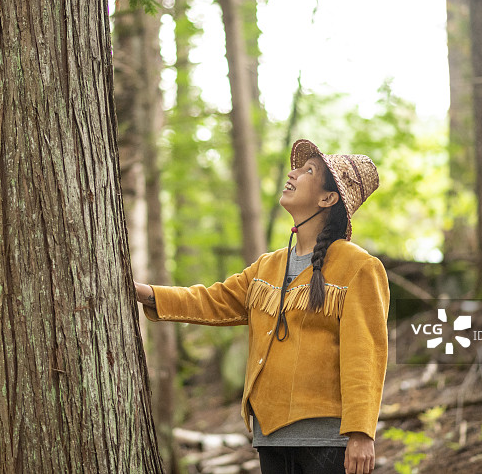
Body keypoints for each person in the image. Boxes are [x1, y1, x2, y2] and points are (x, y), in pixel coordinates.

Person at [135, 139, 389, 474]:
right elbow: (213, 300)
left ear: (328, 198)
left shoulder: (359, 267)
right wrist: (146, 293)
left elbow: (365, 354)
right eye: (298, 167)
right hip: (269, 435)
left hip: (329, 441)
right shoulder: (268, 266)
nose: (293, 173)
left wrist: (361, 433)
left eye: (308, 170)